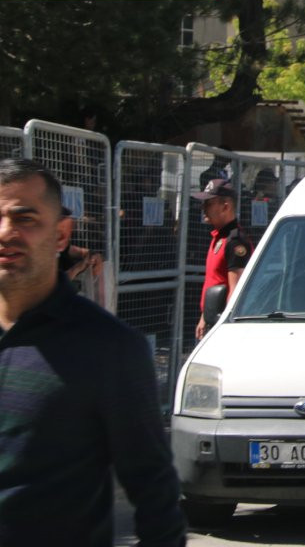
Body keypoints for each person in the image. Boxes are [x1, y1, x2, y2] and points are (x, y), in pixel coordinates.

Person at [0, 159, 186, 546]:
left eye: (25, 218)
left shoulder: (109, 350)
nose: (6, 232)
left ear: (61, 235)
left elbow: (155, 495)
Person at [192, 178, 253, 340]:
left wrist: (225, 326)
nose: (203, 208)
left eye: (208, 203)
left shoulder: (235, 241)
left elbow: (236, 290)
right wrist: (204, 316)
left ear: (225, 206)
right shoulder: (219, 237)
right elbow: (214, 281)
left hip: (223, 323)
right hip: (212, 318)